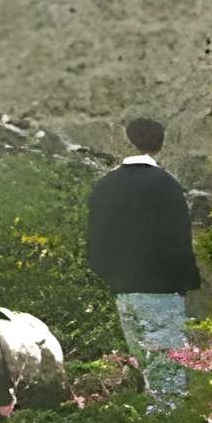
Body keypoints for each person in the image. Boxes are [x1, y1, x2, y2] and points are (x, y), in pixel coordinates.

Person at [88, 115, 204, 400]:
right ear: (160, 145)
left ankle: (148, 422)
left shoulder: (106, 185)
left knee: (143, 366)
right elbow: (179, 239)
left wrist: (112, 276)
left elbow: (96, 241)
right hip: (162, 289)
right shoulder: (167, 184)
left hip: (123, 289)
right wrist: (186, 281)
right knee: (167, 369)